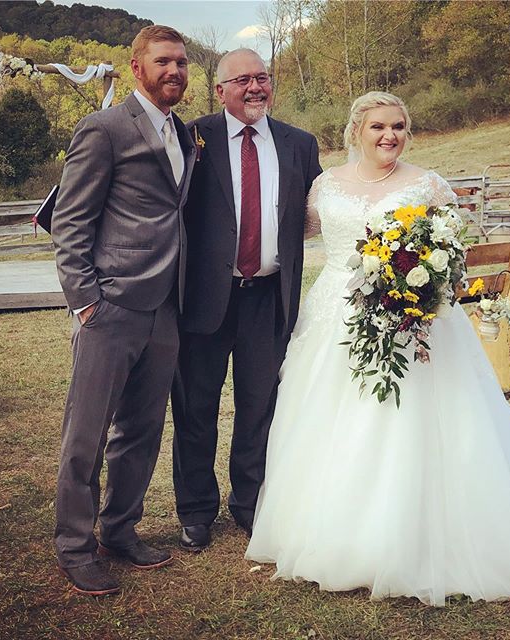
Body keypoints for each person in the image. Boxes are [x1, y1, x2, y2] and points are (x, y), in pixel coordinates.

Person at [245, 91, 510, 605]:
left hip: (414, 322)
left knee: (412, 419)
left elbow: (453, 256)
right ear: (355, 131)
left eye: (400, 126)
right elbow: (294, 234)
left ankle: (413, 526)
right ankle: (334, 524)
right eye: (379, 127)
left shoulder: (428, 185)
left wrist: (420, 290)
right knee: (325, 414)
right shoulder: (324, 186)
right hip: (333, 315)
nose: (390, 136)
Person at [53, 25, 196, 596]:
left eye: (182, 63)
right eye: (164, 62)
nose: (176, 72)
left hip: (165, 307)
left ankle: (120, 529)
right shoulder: (104, 128)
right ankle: (73, 545)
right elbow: (70, 221)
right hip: (110, 305)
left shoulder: (183, 133)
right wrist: (86, 300)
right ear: (137, 67)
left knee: (141, 429)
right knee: (85, 436)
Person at [171, 48, 321, 551]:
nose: (255, 87)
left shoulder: (300, 144)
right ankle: (195, 510)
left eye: (263, 78)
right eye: (242, 80)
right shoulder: (191, 136)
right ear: (220, 91)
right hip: (205, 299)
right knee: (196, 409)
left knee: (260, 407)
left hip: (269, 299)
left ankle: (251, 502)